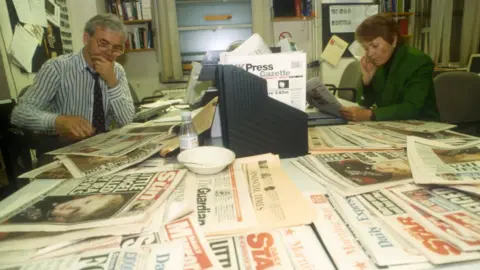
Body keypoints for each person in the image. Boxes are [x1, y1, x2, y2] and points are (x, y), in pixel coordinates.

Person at [11, 14, 135, 159]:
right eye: (103, 43)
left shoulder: (117, 71)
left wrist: (112, 83)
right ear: (86, 39)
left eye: (116, 48)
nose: (109, 52)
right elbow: (19, 114)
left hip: (103, 148)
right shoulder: (57, 68)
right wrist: (58, 121)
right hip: (63, 148)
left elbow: (127, 122)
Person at [339, 14, 439, 122]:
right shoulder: (378, 63)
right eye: (366, 48)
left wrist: (369, 115)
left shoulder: (419, 61)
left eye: (375, 46)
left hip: (423, 126)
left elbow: (411, 108)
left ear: (394, 39)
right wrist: (366, 81)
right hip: (393, 124)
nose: (370, 53)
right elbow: (364, 103)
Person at [7, 194, 126, 223]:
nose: (74, 205)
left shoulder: (40, 219)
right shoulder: (66, 197)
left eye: (75, 211)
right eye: (87, 201)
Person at [328, 159, 412, 185]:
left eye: (395, 169)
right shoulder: (359, 162)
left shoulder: (378, 177)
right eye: (388, 163)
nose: (387, 167)